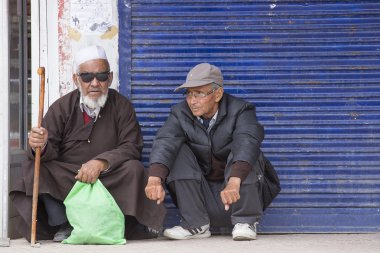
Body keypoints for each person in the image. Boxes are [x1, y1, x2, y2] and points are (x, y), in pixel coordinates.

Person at [10, 45, 165, 242]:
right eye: (87, 77)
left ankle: (120, 223)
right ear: (76, 79)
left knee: (134, 169)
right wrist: (38, 144)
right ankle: (64, 223)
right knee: (35, 167)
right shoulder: (61, 107)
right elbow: (48, 150)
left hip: (108, 176)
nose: (94, 83)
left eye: (101, 77)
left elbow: (131, 146)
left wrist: (100, 163)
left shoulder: (122, 106)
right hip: (70, 177)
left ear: (109, 78)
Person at [145, 63, 266, 241]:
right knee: (177, 151)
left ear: (217, 94)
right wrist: (154, 179)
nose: (192, 101)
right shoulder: (180, 113)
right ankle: (195, 224)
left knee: (247, 153)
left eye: (199, 94)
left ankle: (245, 221)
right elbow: (165, 141)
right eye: (189, 94)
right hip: (203, 199)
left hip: (236, 194)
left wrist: (234, 181)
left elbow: (247, 141)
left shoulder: (241, 110)